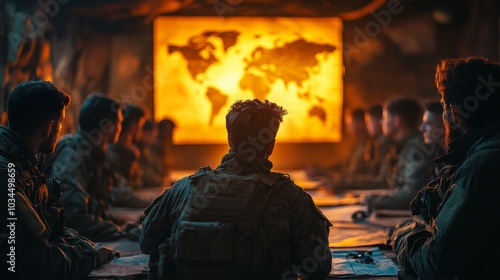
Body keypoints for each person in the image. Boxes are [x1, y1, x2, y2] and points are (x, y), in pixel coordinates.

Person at [139, 99, 332, 279]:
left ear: (230, 140)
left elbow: (146, 241)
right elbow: (318, 266)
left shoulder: (185, 188)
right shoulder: (291, 197)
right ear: (271, 146)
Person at [391, 57, 500, 279]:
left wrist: (405, 239)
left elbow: (437, 265)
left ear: (453, 112)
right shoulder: (480, 155)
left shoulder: (479, 168)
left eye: (442, 106)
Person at [0, 81, 115, 279]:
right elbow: (37, 264)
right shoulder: (8, 175)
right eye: (60, 122)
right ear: (49, 127)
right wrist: (91, 256)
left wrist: (83, 245)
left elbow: (50, 230)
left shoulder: (26, 164)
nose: (61, 130)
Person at [46, 93, 141, 241]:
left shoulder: (97, 154)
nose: (120, 128)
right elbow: (71, 216)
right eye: (119, 123)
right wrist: (119, 230)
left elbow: (109, 199)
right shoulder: (74, 156)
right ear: (109, 127)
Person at [364, 96, 437, 212]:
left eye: (385, 118)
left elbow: (413, 193)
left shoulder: (416, 149)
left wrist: (375, 201)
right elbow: (385, 181)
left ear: (397, 121)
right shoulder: (400, 147)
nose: (381, 122)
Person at [107, 103, 152, 207]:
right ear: (133, 125)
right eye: (140, 124)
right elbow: (118, 192)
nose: (141, 129)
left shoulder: (131, 151)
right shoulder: (110, 152)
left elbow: (136, 184)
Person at [364, 104, 392, 176]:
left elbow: (381, 180)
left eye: (369, 121)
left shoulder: (388, 145)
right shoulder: (374, 142)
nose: (367, 125)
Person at [149, 118, 176, 185]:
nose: (172, 135)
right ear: (163, 131)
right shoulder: (153, 148)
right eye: (170, 131)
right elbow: (153, 174)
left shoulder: (163, 148)